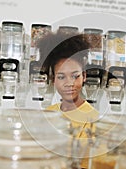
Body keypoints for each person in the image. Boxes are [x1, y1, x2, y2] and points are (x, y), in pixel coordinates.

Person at [37, 31, 99, 169]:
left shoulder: (93, 119)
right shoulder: (48, 114)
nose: (69, 83)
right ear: (53, 80)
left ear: (84, 76)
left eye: (75, 76)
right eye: (61, 77)